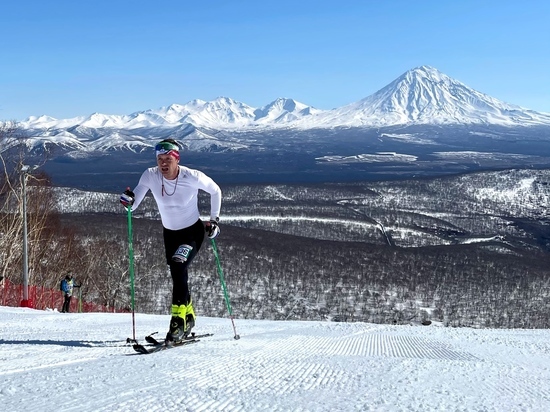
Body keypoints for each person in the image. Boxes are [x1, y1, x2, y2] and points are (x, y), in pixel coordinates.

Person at [120, 138, 221, 345]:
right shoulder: (150, 175)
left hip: (192, 232)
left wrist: (214, 221)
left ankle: (177, 321)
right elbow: (135, 202)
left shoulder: (191, 176)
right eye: (160, 159)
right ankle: (190, 316)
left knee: (178, 265)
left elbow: (215, 191)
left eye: (168, 159)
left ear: (177, 159)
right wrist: (128, 200)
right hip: (170, 234)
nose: (163, 163)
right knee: (178, 273)